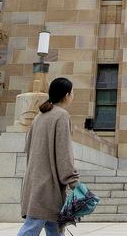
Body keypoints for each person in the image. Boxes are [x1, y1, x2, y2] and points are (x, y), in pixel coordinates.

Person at [18, 77, 80, 236]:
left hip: (36, 181)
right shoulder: (61, 115)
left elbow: (29, 149)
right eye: (72, 92)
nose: (73, 96)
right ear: (67, 95)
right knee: (32, 227)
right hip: (47, 187)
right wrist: (73, 181)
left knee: (55, 228)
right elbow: (64, 153)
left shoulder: (40, 115)